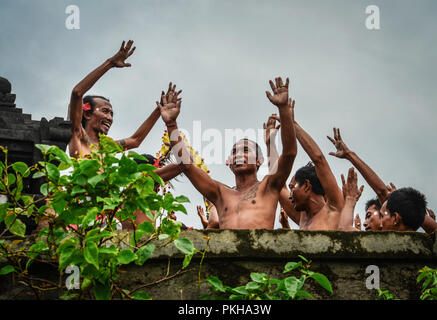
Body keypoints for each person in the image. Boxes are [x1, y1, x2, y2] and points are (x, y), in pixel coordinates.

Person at [157, 77, 297, 229]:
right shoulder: (220, 193)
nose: (238, 155)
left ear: (259, 161)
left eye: (245, 150)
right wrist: (171, 124)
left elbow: (289, 153)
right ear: (228, 162)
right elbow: (187, 166)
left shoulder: (269, 186)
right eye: (234, 152)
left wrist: (283, 109)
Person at [327, 127, 437, 233]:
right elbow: (382, 192)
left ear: (396, 218)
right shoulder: (430, 247)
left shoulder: (379, 246)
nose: (381, 223)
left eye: (382, 216)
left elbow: (344, 229)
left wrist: (350, 198)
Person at [68, 40, 162, 158]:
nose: (110, 118)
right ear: (87, 114)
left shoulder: (106, 148)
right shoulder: (78, 135)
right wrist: (110, 63)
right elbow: (77, 93)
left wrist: (160, 109)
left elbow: (135, 140)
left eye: (112, 114)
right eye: (105, 111)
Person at [269, 99, 344, 230]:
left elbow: (319, 160)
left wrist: (293, 125)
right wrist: (270, 144)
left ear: (307, 186)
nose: (290, 194)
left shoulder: (333, 209)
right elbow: (279, 187)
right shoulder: (302, 218)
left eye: (293, 187)